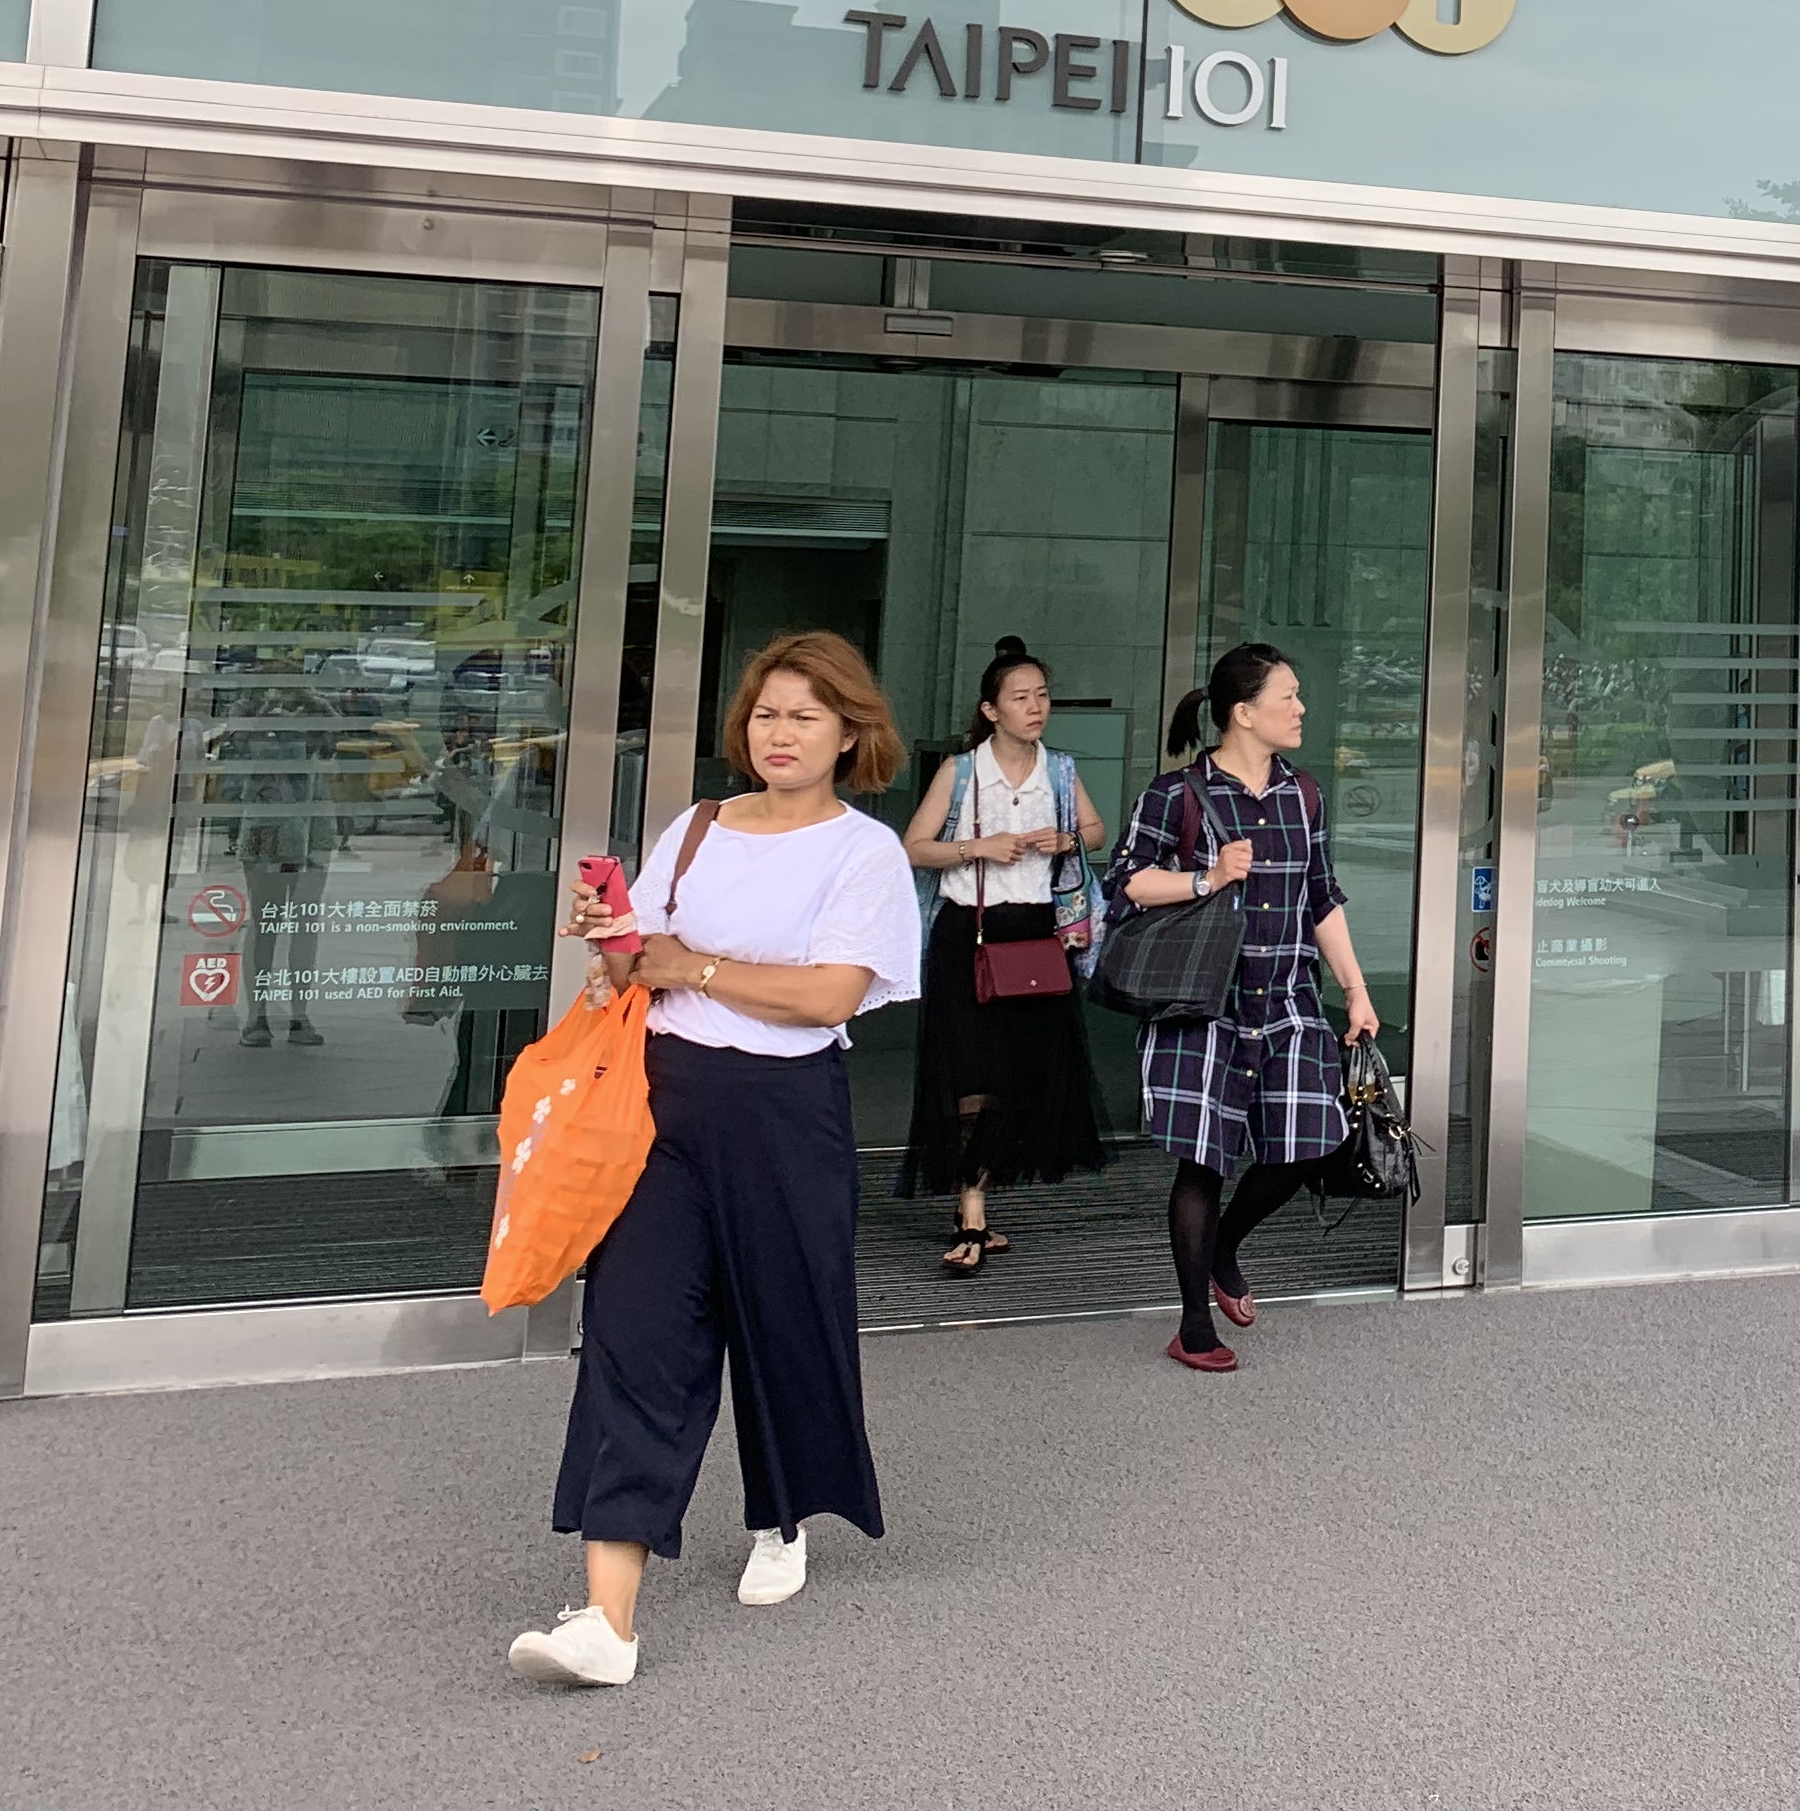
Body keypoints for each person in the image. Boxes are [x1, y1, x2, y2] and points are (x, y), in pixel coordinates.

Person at [510, 631, 927, 1689]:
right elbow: (632, 967)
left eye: (806, 716)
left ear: (850, 734)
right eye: (766, 714)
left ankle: (782, 1515)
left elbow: (830, 995)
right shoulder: (697, 826)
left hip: (784, 1111)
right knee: (634, 1336)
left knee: (782, 1322)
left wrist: (691, 964)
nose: (781, 733)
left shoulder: (863, 851)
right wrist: (611, 939)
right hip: (661, 1105)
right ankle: (607, 1619)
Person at [1118, 642, 1380, 1371]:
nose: (1301, 709)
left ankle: (1224, 1246)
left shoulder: (1305, 795)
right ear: (1243, 712)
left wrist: (1356, 991)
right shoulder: (1177, 794)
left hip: (1289, 999)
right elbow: (1126, 884)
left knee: (1310, 1141)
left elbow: (1322, 898)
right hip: (1204, 1004)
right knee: (1203, 1162)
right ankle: (1193, 1326)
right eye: (1287, 697)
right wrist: (1205, 878)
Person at [897, 636, 1111, 1271]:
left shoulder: (1060, 770)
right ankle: (971, 1210)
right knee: (970, 1075)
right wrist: (978, 848)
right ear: (991, 710)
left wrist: (1067, 839)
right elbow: (913, 846)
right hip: (967, 934)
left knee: (1021, 1074)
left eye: (1042, 695)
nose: (1035, 707)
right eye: (1020, 698)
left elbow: (1097, 831)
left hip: (1036, 935)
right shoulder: (962, 771)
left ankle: (980, 1195)